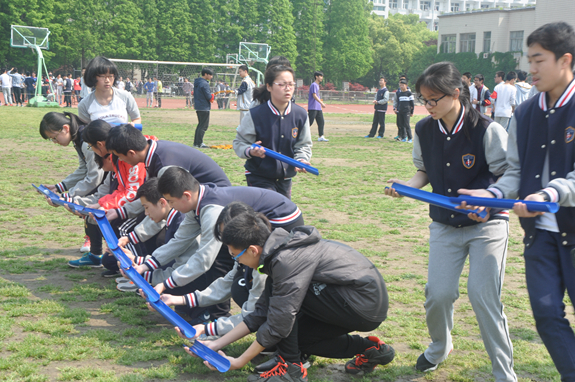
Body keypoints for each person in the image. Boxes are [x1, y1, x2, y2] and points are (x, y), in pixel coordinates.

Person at [458, 22, 575, 381]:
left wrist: (548, 194)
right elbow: (514, 172)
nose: (531, 69)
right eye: (529, 60)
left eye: (539, 60)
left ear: (565, 60)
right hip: (539, 233)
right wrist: (492, 195)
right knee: (545, 313)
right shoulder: (525, 113)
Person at [385, 62, 516, 381]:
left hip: (487, 226)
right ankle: (440, 347)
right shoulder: (424, 129)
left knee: (483, 295)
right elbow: (424, 171)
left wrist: (489, 197)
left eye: (433, 99)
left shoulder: (487, 129)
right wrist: (405, 188)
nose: (427, 106)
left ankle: (504, 373)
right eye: (423, 99)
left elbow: (509, 173)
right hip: (444, 224)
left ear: (455, 93)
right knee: (438, 294)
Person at [183, 211, 393, 381]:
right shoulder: (278, 253)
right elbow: (261, 313)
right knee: (301, 339)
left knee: (284, 309)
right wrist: (215, 344)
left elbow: (278, 322)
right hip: (354, 303)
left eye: (235, 256)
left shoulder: (286, 261)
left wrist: (239, 361)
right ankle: (372, 349)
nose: (237, 262)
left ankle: (290, 369)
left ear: (254, 250)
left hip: (362, 304)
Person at [135, 168, 306, 323]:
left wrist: (166, 284)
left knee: (256, 274)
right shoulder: (196, 204)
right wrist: (145, 266)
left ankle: (236, 318)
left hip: (281, 219)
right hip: (257, 218)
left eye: (171, 202)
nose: (170, 207)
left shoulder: (211, 210)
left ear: (186, 195)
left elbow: (204, 260)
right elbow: (179, 241)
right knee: (235, 269)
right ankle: (225, 318)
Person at [233, 64, 313, 200]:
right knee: (268, 211)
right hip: (259, 175)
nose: (288, 88)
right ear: (269, 86)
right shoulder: (255, 114)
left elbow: (303, 144)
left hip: (285, 177)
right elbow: (239, 142)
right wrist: (251, 151)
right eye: (282, 84)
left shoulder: (300, 114)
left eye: (291, 84)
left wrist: (301, 159)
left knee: (283, 214)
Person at [39, 112, 106, 265]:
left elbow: (94, 177)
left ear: (65, 128)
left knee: (92, 210)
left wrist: (67, 197)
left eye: (54, 137)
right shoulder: (78, 137)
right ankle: (96, 255)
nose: (55, 142)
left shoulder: (85, 139)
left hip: (111, 181)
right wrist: (59, 188)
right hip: (104, 179)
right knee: (89, 212)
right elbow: (84, 169)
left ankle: (104, 255)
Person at [105, 177, 184, 285]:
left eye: (146, 207)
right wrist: (135, 259)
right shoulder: (175, 219)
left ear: (162, 203)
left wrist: (141, 274)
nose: (146, 213)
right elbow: (168, 260)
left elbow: (177, 267)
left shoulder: (181, 223)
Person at [78, 56, 141, 125]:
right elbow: (84, 130)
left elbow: (136, 119)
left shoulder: (125, 96)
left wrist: (132, 126)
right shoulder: (84, 104)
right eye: (102, 76)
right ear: (92, 77)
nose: (107, 80)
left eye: (110, 76)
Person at [193, 68, 214, 148]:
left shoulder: (197, 82)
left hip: (198, 106)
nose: (211, 77)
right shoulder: (204, 84)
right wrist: (212, 97)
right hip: (204, 107)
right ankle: (200, 143)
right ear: (206, 74)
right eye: (210, 75)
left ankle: (196, 143)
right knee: (204, 126)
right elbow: (208, 96)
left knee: (200, 125)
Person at [308, 71, 328, 142]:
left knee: (321, 122)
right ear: (316, 76)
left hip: (318, 108)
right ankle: (300, 135)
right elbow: (314, 95)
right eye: (320, 76)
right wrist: (321, 103)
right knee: (309, 122)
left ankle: (321, 136)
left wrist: (320, 105)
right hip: (313, 107)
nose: (321, 78)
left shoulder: (317, 85)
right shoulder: (314, 85)